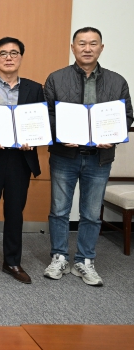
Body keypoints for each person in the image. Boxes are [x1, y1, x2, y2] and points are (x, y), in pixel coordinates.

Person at [43, 27, 133, 286]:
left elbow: (126, 115)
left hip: (99, 158)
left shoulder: (117, 81)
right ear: (73, 47)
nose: (87, 48)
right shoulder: (56, 78)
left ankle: (85, 260)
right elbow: (47, 114)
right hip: (65, 154)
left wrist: (113, 137)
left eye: (93, 43)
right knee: (59, 210)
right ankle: (59, 256)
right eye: (81, 43)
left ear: (101, 48)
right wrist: (60, 135)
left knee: (92, 213)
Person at [0, 37, 44, 284]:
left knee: (15, 212)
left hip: (20, 159)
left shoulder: (35, 88)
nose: (9, 57)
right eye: (3, 53)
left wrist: (32, 138)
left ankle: (12, 261)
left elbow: (39, 121)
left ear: (21, 57)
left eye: (14, 53)